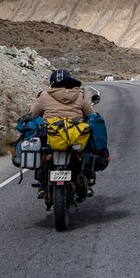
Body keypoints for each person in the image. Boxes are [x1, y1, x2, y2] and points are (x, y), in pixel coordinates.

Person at [29, 68, 95, 197]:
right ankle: (87, 183)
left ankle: (42, 185)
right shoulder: (79, 95)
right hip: (74, 135)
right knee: (88, 149)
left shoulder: (44, 95)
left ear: (52, 83)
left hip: (52, 136)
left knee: (42, 152)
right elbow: (90, 114)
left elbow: (32, 114)